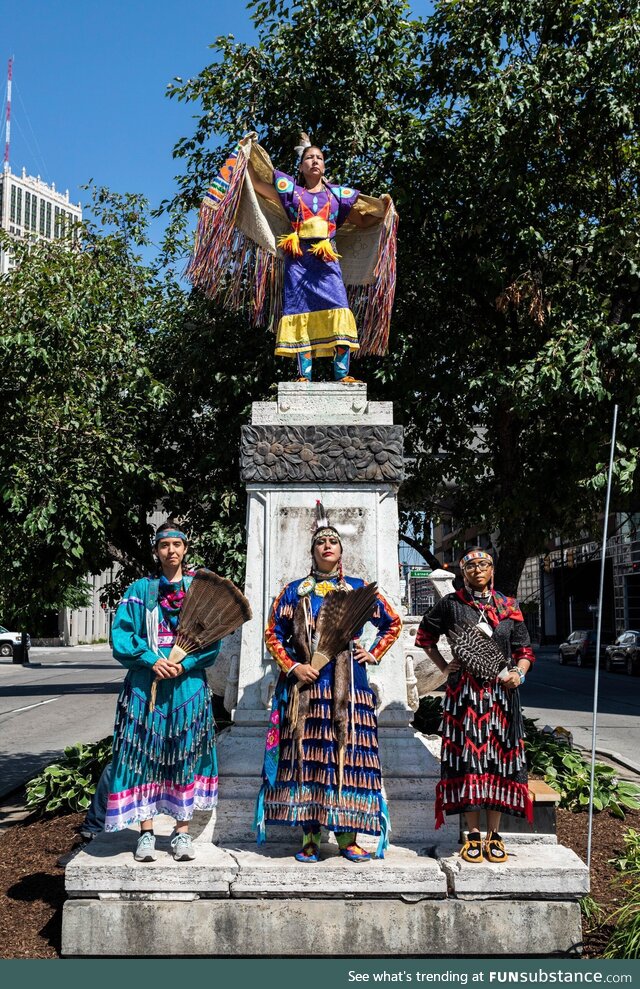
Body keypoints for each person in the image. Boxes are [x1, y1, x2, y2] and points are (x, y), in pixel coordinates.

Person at [254, 504, 402, 862]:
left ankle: (348, 837)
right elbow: (272, 634)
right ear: (313, 551)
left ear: (341, 551)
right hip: (306, 691)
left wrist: (374, 652)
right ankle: (310, 838)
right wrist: (293, 668)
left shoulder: (358, 590)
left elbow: (393, 623)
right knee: (309, 761)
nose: (327, 546)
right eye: (320, 542)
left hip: (349, 688)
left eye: (333, 541)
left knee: (349, 758)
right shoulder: (294, 591)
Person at [104, 522, 221, 862]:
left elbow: (212, 640)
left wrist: (183, 664)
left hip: (188, 687)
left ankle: (182, 834)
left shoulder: (198, 591)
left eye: (177, 544)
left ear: (185, 550)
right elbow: (122, 637)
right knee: (144, 756)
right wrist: (153, 660)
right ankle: (145, 833)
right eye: (164, 545)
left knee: (185, 753)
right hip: (147, 686)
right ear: (156, 551)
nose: (171, 550)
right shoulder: (140, 590)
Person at [416, 548, 534, 864]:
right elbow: (424, 636)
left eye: (483, 564)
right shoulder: (452, 605)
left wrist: (518, 673)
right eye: (470, 565)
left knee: (498, 760)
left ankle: (494, 834)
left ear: (492, 569)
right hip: (464, 695)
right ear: (462, 571)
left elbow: (524, 650)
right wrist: (444, 666)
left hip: (501, 697)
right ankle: (472, 835)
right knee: (469, 761)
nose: (477, 569)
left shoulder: (509, 606)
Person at [248, 145, 386, 383]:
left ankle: (342, 374)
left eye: (319, 158)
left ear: (324, 166)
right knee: (301, 311)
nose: (315, 161)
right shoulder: (292, 193)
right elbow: (258, 186)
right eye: (309, 158)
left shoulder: (336, 196)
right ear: (301, 167)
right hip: (299, 261)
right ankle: (304, 376)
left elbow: (363, 221)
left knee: (340, 308)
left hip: (327, 260)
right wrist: (246, 155)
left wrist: (385, 208)